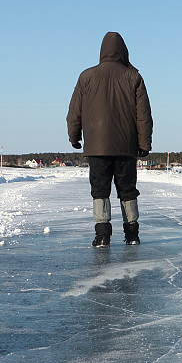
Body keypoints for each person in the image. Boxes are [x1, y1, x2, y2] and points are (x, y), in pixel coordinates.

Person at [67, 32, 153, 247]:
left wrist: (74, 136)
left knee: (100, 190)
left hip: (96, 148)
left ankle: (102, 235)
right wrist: (144, 144)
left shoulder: (86, 76)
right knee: (127, 190)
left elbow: (74, 111)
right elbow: (143, 115)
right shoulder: (133, 77)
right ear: (123, 51)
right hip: (126, 147)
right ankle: (132, 234)